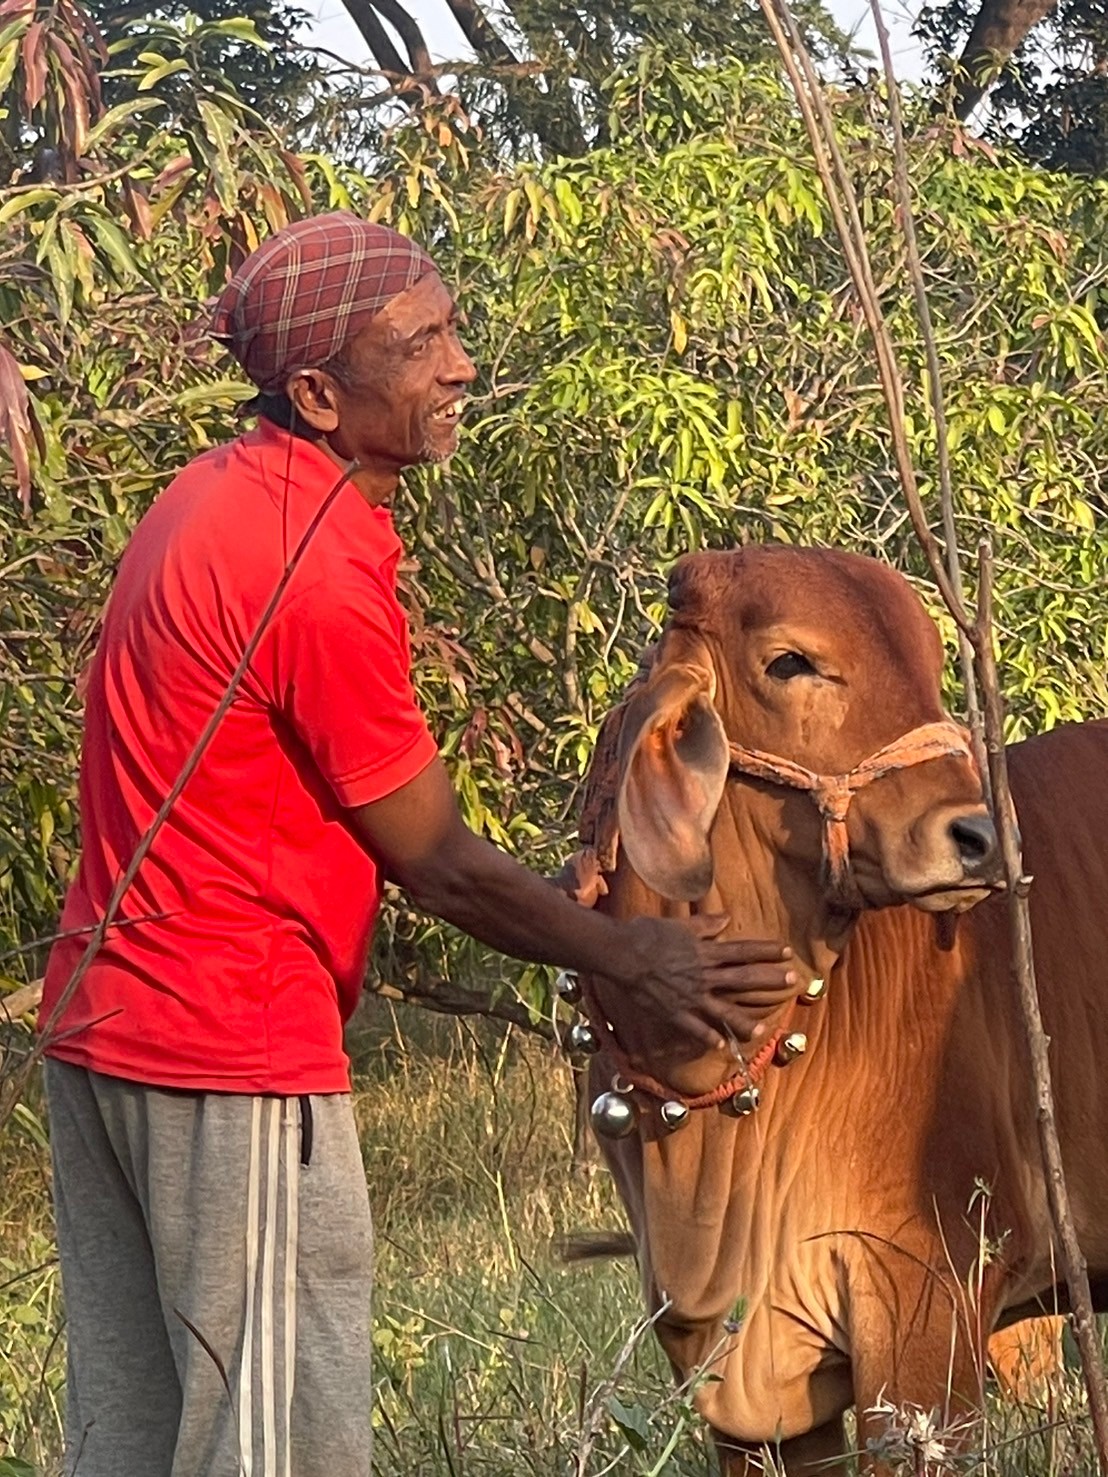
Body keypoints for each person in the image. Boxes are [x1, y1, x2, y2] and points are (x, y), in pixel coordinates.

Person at [38, 212, 796, 1477]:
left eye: (450, 327)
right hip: (228, 1055)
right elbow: (435, 859)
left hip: (104, 1027)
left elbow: (310, 802)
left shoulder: (215, 495)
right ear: (322, 392)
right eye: (419, 344)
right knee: (275, 1445)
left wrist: (553, 900)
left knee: (135, 1440)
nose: (459, 365)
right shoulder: (310, 568)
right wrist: (629, 958)